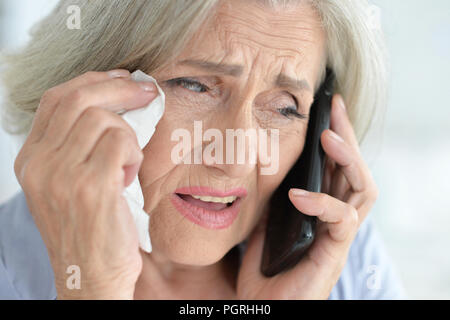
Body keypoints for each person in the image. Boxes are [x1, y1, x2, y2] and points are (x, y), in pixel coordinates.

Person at [0, 0, 405, 299]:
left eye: (285, 108)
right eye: (194, 85)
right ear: (90, 87)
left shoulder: (342, 260)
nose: (234, 161)